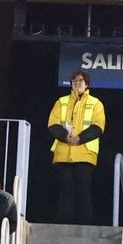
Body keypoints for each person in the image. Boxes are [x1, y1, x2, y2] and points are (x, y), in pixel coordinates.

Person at [48, 70, 104, 224]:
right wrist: (65, 137)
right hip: (63, 153)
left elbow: (98, 126)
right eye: (74, 80)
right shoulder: (61, 101)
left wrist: (80, 139)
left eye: (80, 81)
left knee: (83, 192)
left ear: (86, 84)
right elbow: (52, 124)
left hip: (85, 154)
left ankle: (84, 226)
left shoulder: (95, 103)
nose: (77, 83)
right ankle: (64, 226)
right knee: (65, 192)